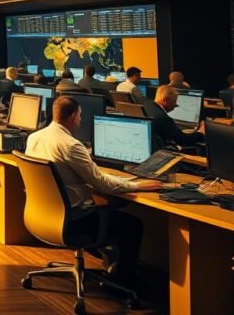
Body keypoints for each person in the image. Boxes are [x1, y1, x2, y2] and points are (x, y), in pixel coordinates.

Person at [25, 96, 170, 285]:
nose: (80, 120)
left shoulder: (34, 137)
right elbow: (101, 184)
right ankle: (123, 280)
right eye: (80, 116)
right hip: (75, 220)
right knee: (133, 225)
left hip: (44, 216)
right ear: (73, 116)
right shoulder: (71, 145)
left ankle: (109, 262)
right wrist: (137, 185)